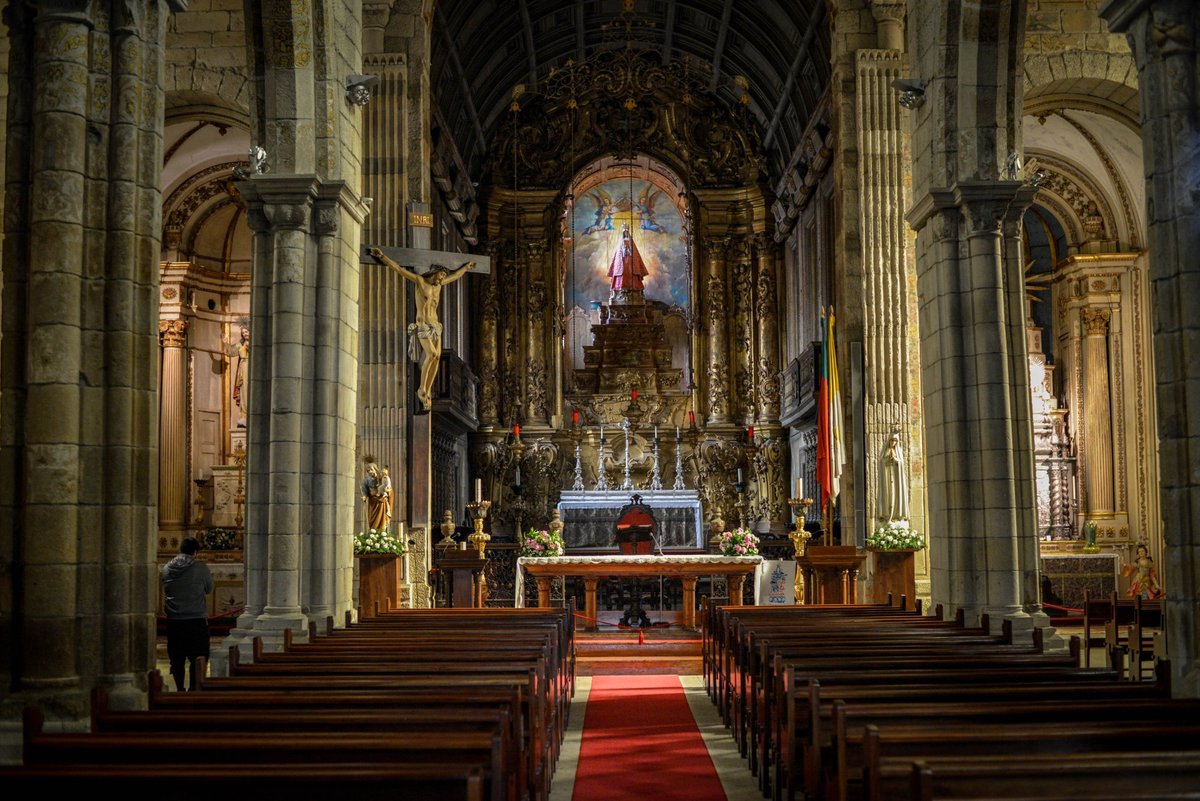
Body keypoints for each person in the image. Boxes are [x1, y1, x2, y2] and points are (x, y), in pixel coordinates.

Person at [368, 247, 472, 410]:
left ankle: (427, 390)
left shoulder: (440, 285)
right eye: (441, 275)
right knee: (431, 354)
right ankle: (422, 387)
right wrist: (383, 257)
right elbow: (399, 269)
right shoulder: (420, 281)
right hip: (422, 323)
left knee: (437, 357)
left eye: (444, 276)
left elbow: (455, 276)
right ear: (435, 272)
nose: (442, 278)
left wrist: (466, 268)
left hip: (435, 326)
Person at [161, 537, 214, 692]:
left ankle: (179, 689)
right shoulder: (200, 568)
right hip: (196, 620)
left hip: (174, 621)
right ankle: (193, 689)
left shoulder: (166, 568)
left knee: (176, 658)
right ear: (195, 552)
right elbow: (209, 589)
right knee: (198, 657)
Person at [876, 432, 910, 523]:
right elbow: (881, 463)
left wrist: (896, 460)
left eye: (895, 440)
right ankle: (886, 516)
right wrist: (887, 459)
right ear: (889, 441)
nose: (893, 442)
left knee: (896, 495)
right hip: (887, 478)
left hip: (896, 480)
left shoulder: (899, 452)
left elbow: (901, 464)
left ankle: (896, 515)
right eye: (891, 440)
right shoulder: (884, 451)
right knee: (887, 495)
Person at [606, 222, 649, 293]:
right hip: (622, 261)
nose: (626, 233)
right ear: (623, 233)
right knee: (622, 273)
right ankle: (620, 287)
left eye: (626, 232)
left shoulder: (631, 242)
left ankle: (634, 289)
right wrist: (624, 250)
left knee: (632, 272)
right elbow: (618, 254)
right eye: (624, 232)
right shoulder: (620, 242)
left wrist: (628, 250)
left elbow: (634, 253)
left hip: (630, 261)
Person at [224, 323, 250, 427]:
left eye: (246, 332)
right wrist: (226, 343)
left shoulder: (257, 343)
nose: (245, 334)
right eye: (243, 333)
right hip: (243, 370)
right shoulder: (241, 344)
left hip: (253, 367)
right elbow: (231, 352)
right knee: (244, 392)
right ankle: (244, 416)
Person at [361, 457, 392, 532]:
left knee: (382, 520)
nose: (370, 472)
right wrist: (364, 496)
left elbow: (389, 487)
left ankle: (382, 534)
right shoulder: (366, 480)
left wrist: (387, 491)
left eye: (371, 470)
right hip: (372, 502)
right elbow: (364, 489)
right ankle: (373, 534)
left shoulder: (382, 477)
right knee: (372, 519)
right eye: (368, 471)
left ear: (375, 469)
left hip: (381, 501)